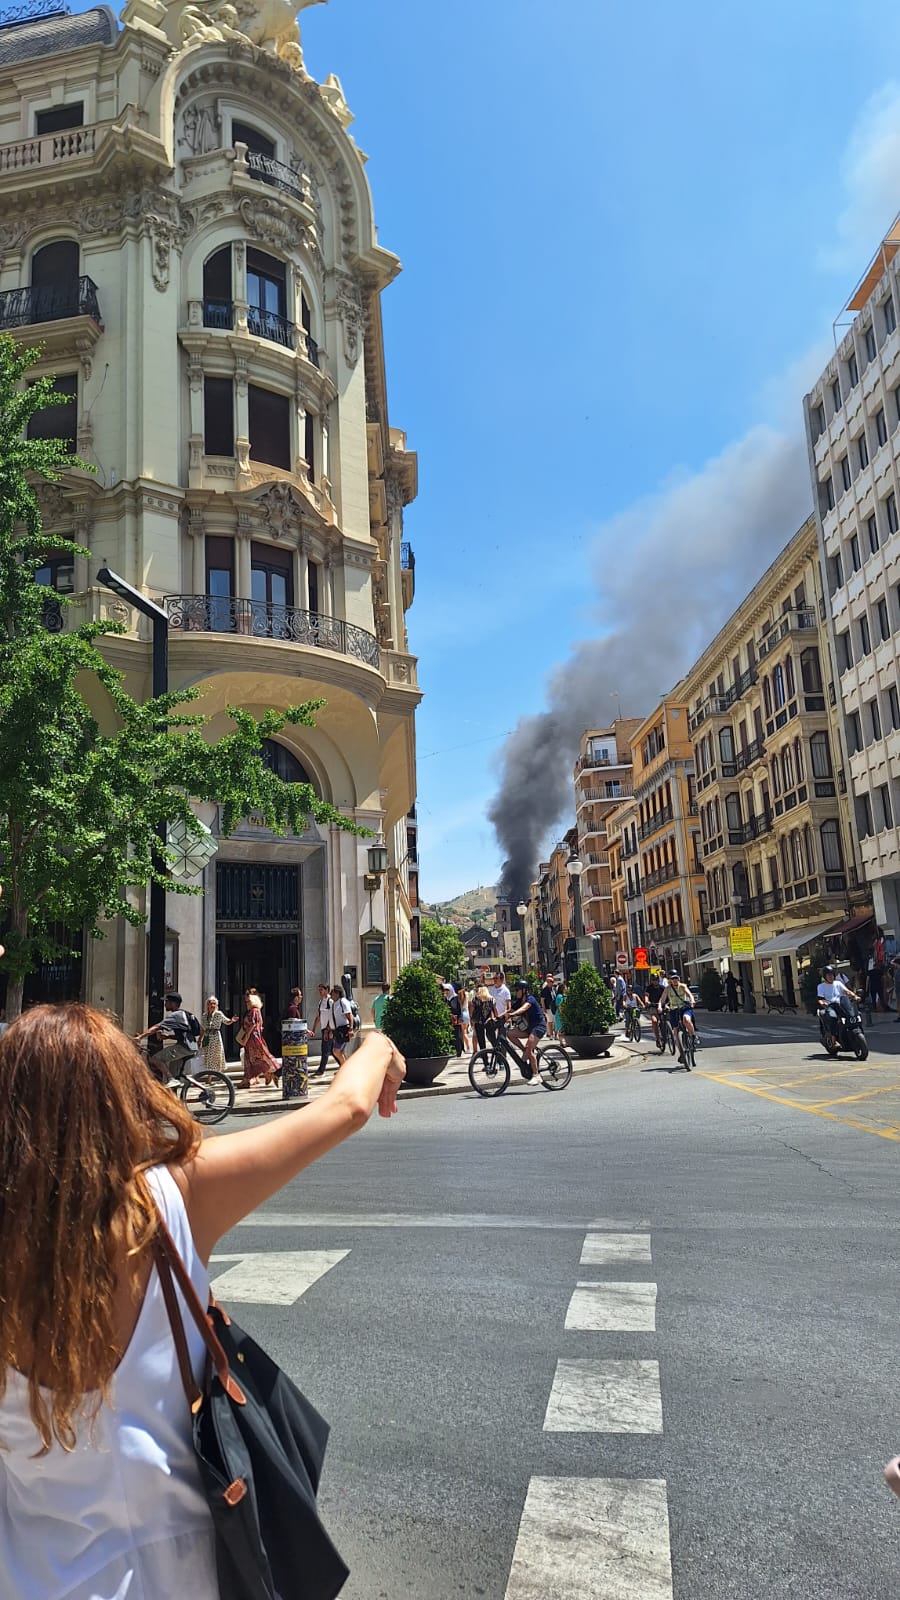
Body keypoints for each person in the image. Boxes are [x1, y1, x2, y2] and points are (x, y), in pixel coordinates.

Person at [0, 1001, 405, 1600]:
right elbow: (345, 1106)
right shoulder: (173, 1201)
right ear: (122, 1094)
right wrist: (376, 1045)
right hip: (183, 1578)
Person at [136, 991, 200, 1080]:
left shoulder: (175, 1015)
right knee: (174, 1073)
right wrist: (168, 1037)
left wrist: (140, 1037)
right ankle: (175, 1083)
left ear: (173, 1003)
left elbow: (157, 1027)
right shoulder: (184, 1014)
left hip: (184, 1047)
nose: (165, 1004)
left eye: (166, 1001)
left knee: (156, 1058)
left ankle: (171, 1079)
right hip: (191, 1047)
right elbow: (187, 1033)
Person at [239, 987, 280, 1088]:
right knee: (251, 1058)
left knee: (256, 1057)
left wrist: (246, 1037)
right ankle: (254, 1077)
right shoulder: (255, 1011)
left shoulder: (254, 1011)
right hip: (254, 1037)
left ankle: (268, 1073)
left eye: (248, 1001)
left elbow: (253, 1025)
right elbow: (260, 1024)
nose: (246, 1003)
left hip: (252, 1038)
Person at [506, 979, 546, 1078]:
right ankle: (524, 1050)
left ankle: (536, 1076)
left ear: (524, 990)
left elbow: (524, 1008)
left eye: (517, 990)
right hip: (529, 1028)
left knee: (529, 1048)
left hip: (538, 1026)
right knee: (510, 1034)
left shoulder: (530, 999)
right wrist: (497, 1017)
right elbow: (509, 1010)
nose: (516, 992)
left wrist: (513, 1014)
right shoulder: (519, 1001)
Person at [660, 971, 696, 1068]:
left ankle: (693, 1036)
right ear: (670, 980)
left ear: (679, 979)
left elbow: (689, 994)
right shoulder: (667, 988)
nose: (675, 980)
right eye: (673, 979)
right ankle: (682, 1054)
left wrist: (692, 1000)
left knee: (686, 1019)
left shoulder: (683, 986)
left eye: (676, 978)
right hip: (674, 1010)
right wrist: (660, 1006)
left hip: (684, 1008)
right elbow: (662, 999)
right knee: (675, 1033)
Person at [817, 964, 859, 1046]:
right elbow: (820, 998)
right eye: (828, 975)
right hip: (830, 1006)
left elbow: (847, 991)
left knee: (854, 1014)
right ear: (825, 976)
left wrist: (855, 996)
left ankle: (857, 1030)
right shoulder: (821, 986)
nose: (830, 977)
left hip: (841, 1004)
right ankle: (834, 1039)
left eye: (832, 975)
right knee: (832, 1017)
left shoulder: (838, 983)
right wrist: (823, 1003)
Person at [198, 995, 237, 1073]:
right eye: (211, 1003)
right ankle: (210, 1075)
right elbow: (203, 1029)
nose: (212, 1005)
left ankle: (216, 1074)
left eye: (214, 1004)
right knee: (207, 1057)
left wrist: (232, 1020)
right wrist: (200, 1040)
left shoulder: (218, 1014)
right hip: (207, 1037)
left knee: (216, 1056)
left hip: (215, 1037)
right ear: (207, 1005)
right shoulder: (204, 1016)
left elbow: (226, 1021)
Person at [309, 982, 335, 1074]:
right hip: (324, 1029)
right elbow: (318, 1017)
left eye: (322, 990)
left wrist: (328, 1030)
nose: (320, 992)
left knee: (325, 1049)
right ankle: (344, 1065)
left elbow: (331, 1016)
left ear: (326, 990)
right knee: (333, 1050)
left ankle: (321, 1070)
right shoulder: (321, 1002)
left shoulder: (330, 1001)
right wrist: (313, 1029)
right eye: (319, 990)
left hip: (329, 1029)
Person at [329, 985, 355, 1066]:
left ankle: (344, 1068)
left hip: (343, 1030)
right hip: (337, 1031)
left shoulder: (343, 1002)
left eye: (332, 993)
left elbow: (349, 1015)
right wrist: (331, 1030)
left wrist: (351, 1029)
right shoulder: (334, 1003)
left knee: (336, 1051)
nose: (331, 995)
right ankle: (345, 1068)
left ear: (337, 993)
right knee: (339, 1051)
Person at [488, 971, 511, 1043]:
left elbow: (509, 1007)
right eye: (494, 978)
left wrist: (502, 1015)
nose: (494, 980)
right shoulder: (491, 989)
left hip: (502, 1018)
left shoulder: (505, 991)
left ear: (501, 979)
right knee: (489, 1033)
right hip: (493, 1017)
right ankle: (496, 1047)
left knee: (501, 1038)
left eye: (496, 978)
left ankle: (501, 1049)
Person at [471, 984, 494, 1052]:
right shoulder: (491, 999)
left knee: (481, 1041)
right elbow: (494, 1011)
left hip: (478, 1021)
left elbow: (472, 1010)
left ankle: (484, 1057)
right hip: (488, 1020)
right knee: (492, 1038)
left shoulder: (475, 999)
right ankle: (497, 1053)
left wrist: (472, 1020)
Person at [457, 983, 472, 1053]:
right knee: (465, 1031)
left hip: (462, 1014)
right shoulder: (466, 994)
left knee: (463, 1033)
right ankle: (466, 1048)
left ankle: (468, 1048)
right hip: (466, 1013)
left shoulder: (458, 996)